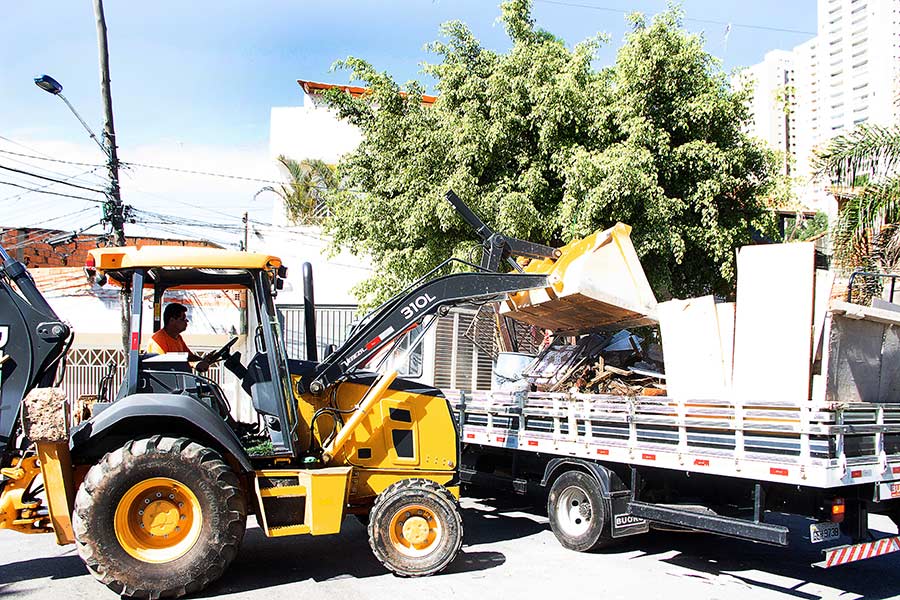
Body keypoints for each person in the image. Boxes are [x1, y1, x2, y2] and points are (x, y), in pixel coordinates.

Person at [147, 302, 210, 372]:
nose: (187, 321)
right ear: (172, 320)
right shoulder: (159, 339)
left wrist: (202, 360)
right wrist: (194, 364)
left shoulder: (178, 337)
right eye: (183, 318)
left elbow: (188, 356)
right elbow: (163, 364)